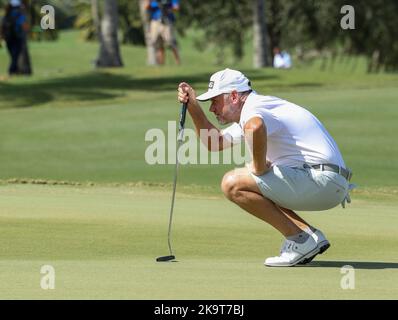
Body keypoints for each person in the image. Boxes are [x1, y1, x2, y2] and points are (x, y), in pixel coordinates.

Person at [177, 68, 355, 267]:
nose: (212, 108)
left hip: (320, 180)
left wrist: (258, 167)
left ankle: (299, 240)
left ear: (234, 96)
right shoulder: (257, 107)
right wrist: (193, 107)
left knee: (233, 184)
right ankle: (308, 235)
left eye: (215, 101)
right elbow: (215, 142)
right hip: (327, 182)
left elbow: (255, 127)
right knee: (257, 182)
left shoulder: (254, 109)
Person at [146, 0, 181, 65]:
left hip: (167, 21)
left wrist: (167, 7)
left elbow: (176, 7)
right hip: (155, 21)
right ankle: (161, 64)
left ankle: (178, 62)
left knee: (170, 42)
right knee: (157, 43)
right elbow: (147, 7)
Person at [1, 0, 29, 75]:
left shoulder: (6, 15)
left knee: (13, 55)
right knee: (15, 56)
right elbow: (24, 26)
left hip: (8, 38)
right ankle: (11, 71)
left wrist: (2, 37)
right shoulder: (19, 14)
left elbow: (2, 27)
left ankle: (15, 71)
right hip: (17, 38)